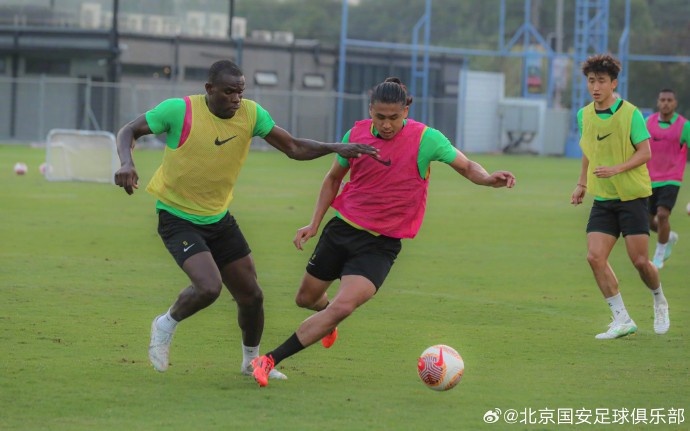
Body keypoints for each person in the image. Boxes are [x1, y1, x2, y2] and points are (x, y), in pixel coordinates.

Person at [113, 60, 377, 378]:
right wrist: (126, 162)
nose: (236, 99)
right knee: (209, 287)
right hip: (177, 216)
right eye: (228, 92)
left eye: (240, 92)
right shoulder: (179, 110)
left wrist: (335, 147)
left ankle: (250, 363)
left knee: (252, 296)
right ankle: (165, 324)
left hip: (218, 218)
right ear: (209, 89)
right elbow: (129, 130)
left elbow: (293, 147)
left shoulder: (251, 114)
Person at [250, 77, 516, 387]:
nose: (387, 125)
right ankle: (327, 319)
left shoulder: (426, 139)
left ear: (406, 111)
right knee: (306, 298)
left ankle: (269, 359)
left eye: (394, 117)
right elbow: (333, 179)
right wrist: (314, 223)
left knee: (344, 306)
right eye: (380, 117)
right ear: (370, 111)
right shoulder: (356, 135)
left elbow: (467, 166)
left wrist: (487, 179)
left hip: (380, 246)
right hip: (341, 231)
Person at [570, 54, 670, 340]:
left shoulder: (631, 114)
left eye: (601, 81)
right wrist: (582, 183)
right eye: (591, 81)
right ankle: (622, 319)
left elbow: (645, 152)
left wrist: (616, 168)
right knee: (594, 257)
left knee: (640, 262)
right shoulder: (584, 115)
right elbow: (589, 150)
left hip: (632, 197)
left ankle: (659, 300)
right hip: (603, 199)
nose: (595, 87)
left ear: (613, 83)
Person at [645, 88, 689, 269]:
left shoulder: (684, 126)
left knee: (663, 214)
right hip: (649, 178)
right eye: (662, 100)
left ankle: (659, 256)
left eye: (669, 100)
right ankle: (668, 236)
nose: (666, 103)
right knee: (648, 222)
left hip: (672, 178)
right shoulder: (648, 123)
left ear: (675, 103)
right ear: (658, 102)